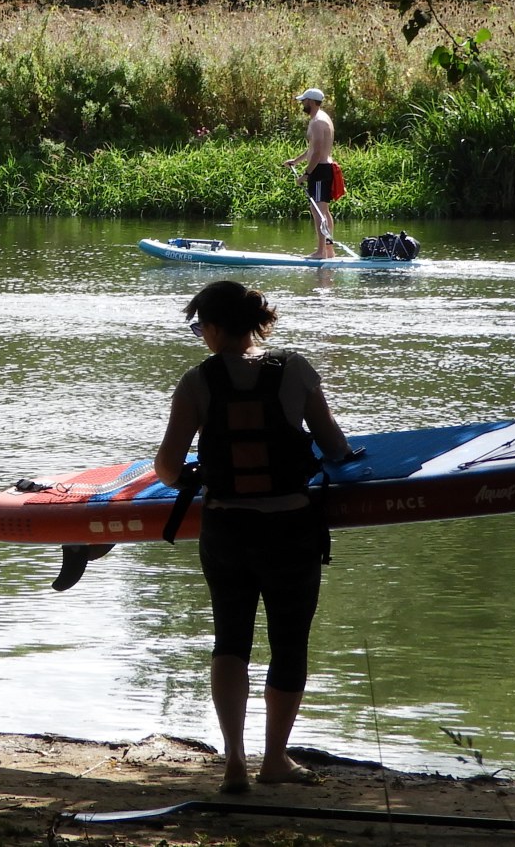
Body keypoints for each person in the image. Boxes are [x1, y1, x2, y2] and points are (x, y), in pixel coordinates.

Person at [154, 280, 353, 794]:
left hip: (225, 530)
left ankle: (235, 762)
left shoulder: (196, 382)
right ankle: (275, 759)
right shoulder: (297, 370)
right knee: (289, 643)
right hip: (291, 527)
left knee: (230, 639)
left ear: (216, 328)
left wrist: (200, 478)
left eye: (199, 326)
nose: (199, 335)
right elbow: (334, 446)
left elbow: (168, 468)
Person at [282, 88, 343, 259]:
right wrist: (296, 160)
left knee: (318, 211)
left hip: (320, 170)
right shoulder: (323, 118)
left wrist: (306, 175)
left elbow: (316, 153)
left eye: (303, 101)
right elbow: (313, 149)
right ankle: (329, 251)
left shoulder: (317, 122)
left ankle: (320, 252)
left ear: (310, 101)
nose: (302, 103)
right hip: (324, 168)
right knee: (323, 210)